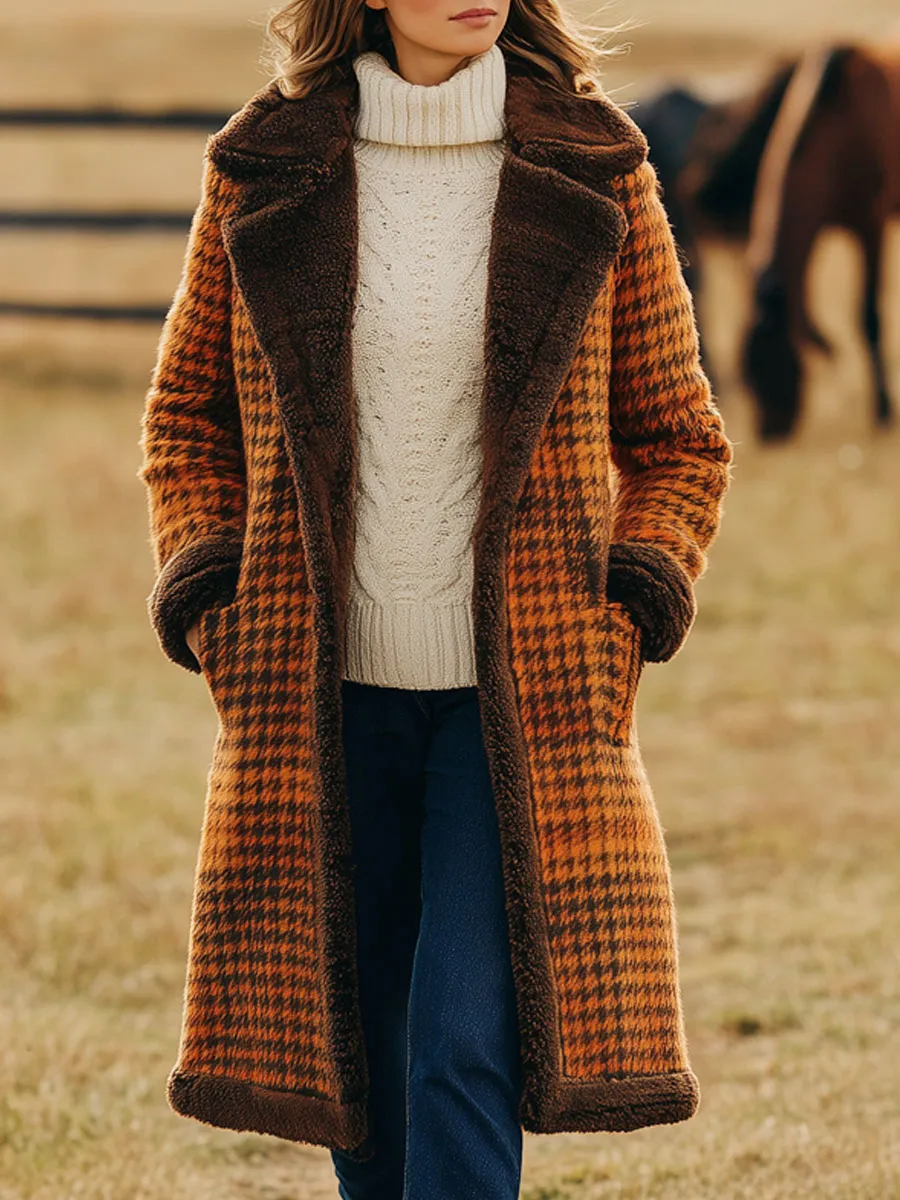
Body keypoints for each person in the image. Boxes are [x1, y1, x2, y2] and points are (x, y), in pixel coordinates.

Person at [138, 2, 734, 1198]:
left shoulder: (595, 169)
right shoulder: (267, 168)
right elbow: (186, 420)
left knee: (461, 1040)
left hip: (519, 700)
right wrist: (215, 598)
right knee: (360, 1054)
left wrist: (628, 604)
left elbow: (679, 439)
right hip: (319, 694)